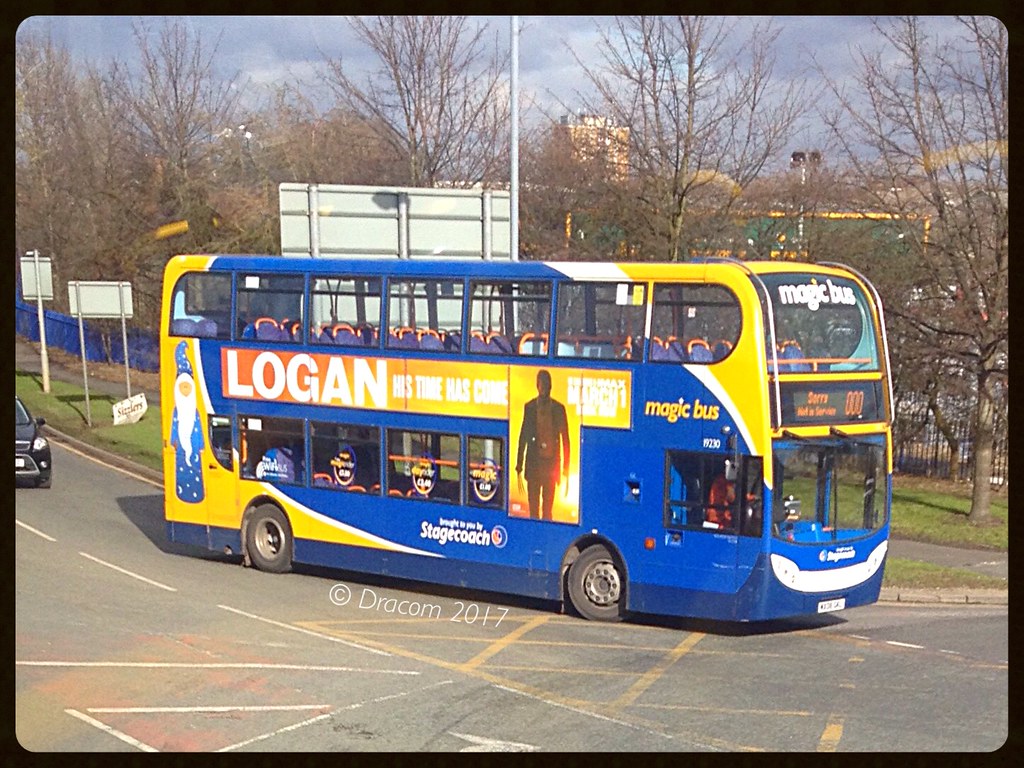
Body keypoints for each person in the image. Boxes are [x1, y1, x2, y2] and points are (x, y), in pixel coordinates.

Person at [515, 369, 570, 520]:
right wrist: (519, 465)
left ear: (550, 386)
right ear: (537, 386)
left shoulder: (559, 409)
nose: (544, 387)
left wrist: (566, 468)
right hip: (534, 465)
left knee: (547, 512)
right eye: (541, 384)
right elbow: (523, 436)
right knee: (533, 511)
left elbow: (566, 440)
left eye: (547, 384)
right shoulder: (530, 407)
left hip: (551, 466)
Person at [706, 459, 737, 529]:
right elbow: (731, 497)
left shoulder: (719, 481)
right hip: (718, 520)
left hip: (716, 518)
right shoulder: (723, 482)